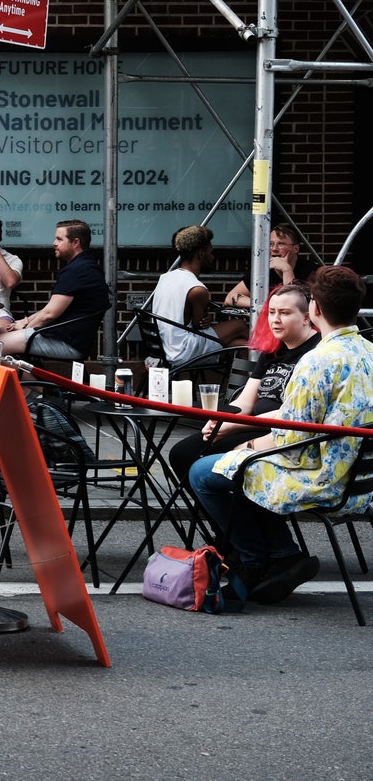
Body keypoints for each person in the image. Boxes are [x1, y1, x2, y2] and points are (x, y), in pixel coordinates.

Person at [189, 267, 373, 603]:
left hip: (323, 479)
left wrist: (244, 446)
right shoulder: (371, 352)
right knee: (231, 465)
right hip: (363, 481)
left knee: (203, 472)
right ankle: (278, 555)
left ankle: (257, 559)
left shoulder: (317, 361)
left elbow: (290, 443)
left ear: (314, 311)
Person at [167, 282, 318, 485]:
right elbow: (245, 402)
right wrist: (219, 422)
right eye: (272, 312)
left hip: (279, 435)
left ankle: (238, 512)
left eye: (284, 313)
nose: (275, 320)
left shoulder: (316, 353)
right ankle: (217, 514)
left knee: (205, 465)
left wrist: (232, 427)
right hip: (251, 425)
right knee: (181, 453)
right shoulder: (273, 351)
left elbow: (290, 413)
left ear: (307, 316)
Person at [0, 220, 110, 360]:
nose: (54, 243)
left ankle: (34, 381)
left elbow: (49, 314)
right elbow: (50, 310)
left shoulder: (76, 271)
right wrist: (25, 321)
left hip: (66, 343)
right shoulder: (86, 266)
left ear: (76, 242)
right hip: (69, 339)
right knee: (0, 341)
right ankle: (34, 381)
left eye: (59, 239)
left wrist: (25, 329)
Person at [149, 225, 249, 368]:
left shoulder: (165, 278)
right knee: (240, 325)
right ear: (201, 253)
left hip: (164, 347)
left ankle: (240, 387)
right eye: (210, 252)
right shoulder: (197, 289)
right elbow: (199, 326)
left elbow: (194, 321)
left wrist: (204, 319)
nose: (212, 257)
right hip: (183, 351)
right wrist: (204, 319)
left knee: (243, 345)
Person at [225, 222, 318, 310]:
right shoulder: (262, 269)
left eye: (280, 244)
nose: (274, 249)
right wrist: (264, 306)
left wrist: (286, 270)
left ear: (296, 248)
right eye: (270, 244)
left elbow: (294, 305)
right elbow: (230, 298)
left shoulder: (311, 271)